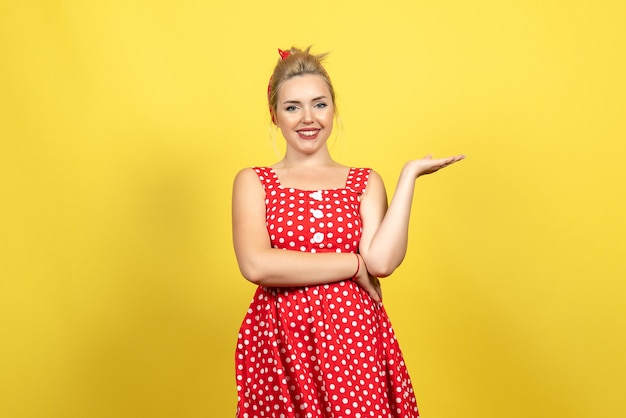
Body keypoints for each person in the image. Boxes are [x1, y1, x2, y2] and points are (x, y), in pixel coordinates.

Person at [232, 46, 464, 418]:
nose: (308, 118)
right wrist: (353, 265)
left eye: (319, 104)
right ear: (274, 114)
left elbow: (382, 261)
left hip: (353, 339)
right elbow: (257, 265)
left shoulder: (365, 181)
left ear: (333, 108)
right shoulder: (254, 182)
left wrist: (408, 177)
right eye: (292, 107)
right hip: (281, 338)